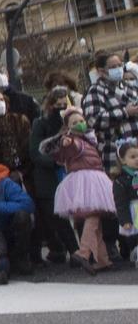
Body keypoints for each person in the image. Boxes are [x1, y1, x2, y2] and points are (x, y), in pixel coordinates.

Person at [43, 106, 117, 273]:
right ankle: (83, 252)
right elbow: (71, 147)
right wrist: (67, 141)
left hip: (95, 178)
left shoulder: (88, 140)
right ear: (68, 126)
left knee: (95, 218)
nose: (80, 124)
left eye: (81, 120)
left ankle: (102, 259)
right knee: (93, 215)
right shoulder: (72, 140)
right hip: (86, 181)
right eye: (75, 122)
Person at [27, 78, 82, 268]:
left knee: (81, 214)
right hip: (51, 177)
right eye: (57, 104)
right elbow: (35, 152)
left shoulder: (76, 121)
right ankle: (73, 251)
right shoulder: (40, 124)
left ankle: (85, 250)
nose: (61, 107)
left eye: (64, 103)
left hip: (74, 172)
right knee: (58, 218)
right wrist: (57, 161)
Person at [80, 51, 138, 156]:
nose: (118, 69)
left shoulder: (129, 87)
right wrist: (125, 112)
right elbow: (93, 120)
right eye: (113, 67)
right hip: (113, 150)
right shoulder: (95, 91)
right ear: (101, 71)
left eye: (120, 65)